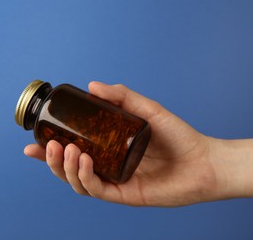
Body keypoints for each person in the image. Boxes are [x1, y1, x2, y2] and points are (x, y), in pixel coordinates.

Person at [23, 81, 253, 207]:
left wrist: (208, 163)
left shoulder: (60, 95)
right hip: (133, 148)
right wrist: (212, 169)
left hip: (135, 142)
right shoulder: (44, 128)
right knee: (75, 157)